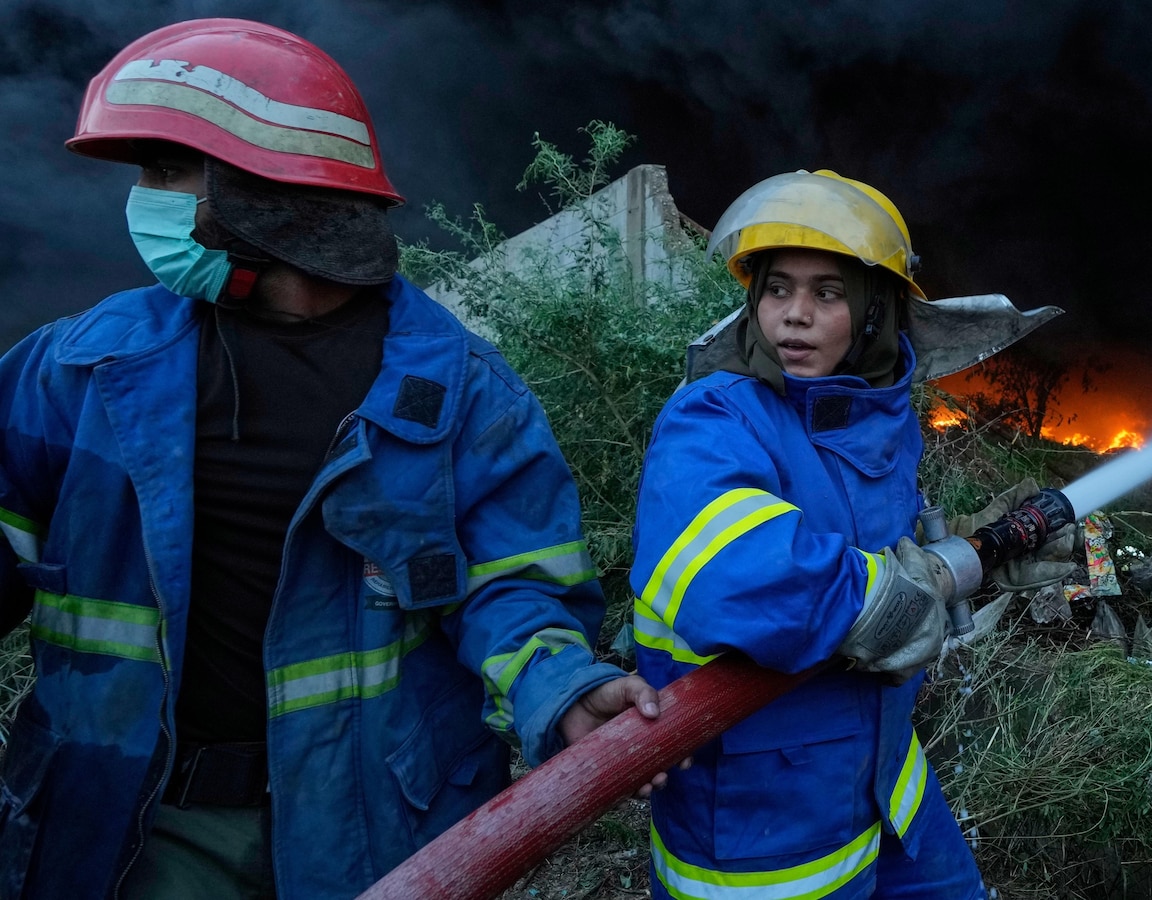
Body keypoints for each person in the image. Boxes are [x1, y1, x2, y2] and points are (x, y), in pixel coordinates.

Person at [0, 18, 663, 899]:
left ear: (263, 189)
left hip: (373, 832)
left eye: (166, 172)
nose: (143, 203)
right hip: (131, 829)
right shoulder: (80, 368)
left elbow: (515, 585)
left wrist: (563, 688)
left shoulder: (462, 390)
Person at [629, 170, 987, 899]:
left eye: (827, 293)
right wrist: (883, 598)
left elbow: (899, 561)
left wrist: (986, 556)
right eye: (776, 288)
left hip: (883, 783)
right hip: (763, 820)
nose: (793, 316)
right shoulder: (714, 418)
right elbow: (728, 571)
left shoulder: (880, 419)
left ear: (873, 311)